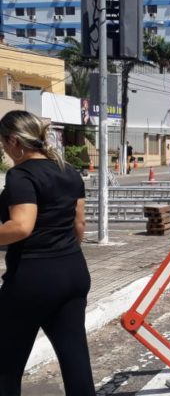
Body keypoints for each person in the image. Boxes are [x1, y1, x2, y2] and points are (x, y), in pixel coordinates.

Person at [0, 110, 94, 395]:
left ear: (14, 141)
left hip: (32, 278)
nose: (3, 150)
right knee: (75, 358)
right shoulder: (68, 170)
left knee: (5, 365)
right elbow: (79, 225)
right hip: (73, 272)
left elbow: (21, 226)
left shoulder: (21, 175)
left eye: (3, 142)